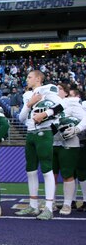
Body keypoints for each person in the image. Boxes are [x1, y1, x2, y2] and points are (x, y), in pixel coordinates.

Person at [17, 70, 64, 220]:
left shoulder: (47, 89)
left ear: (38, 78)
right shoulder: (27, 95)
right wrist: (30, 104)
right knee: (30, 170)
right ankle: (33, 205)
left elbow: (60, 105)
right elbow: (22, 117)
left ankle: (49, 207)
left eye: (30, 77)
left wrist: (45, 114)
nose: (27, 79)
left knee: (46, 168)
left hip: (44, 132)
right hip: (30, 133)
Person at [52, 82, 86, 215]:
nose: (56, 91)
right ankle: (51, 202)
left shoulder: (71, 103)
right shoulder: (48, 103)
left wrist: (77, 128)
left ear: (66, 92)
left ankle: (67, 203)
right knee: (51, 175)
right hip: (52, 142)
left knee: (68, 173)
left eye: (59, 89)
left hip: (68, 142)